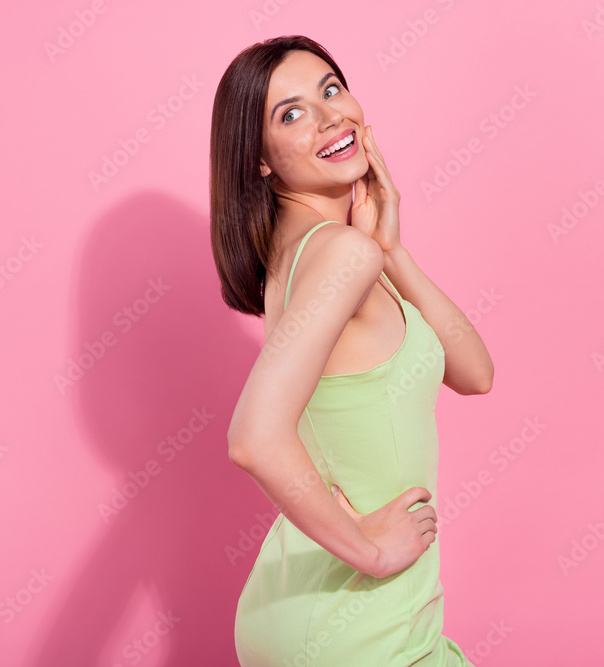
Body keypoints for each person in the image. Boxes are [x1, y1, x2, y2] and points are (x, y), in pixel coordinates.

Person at [209, 35, 494, 665]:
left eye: (331, 90)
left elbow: (475, 373)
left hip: (314, 608)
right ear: (260, 159)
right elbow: (253, 437)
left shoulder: (321, 251)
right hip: (359, 625)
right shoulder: (340, 253)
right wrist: (371, 551)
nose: (329, 116)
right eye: (291, 114)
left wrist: (392, 251)